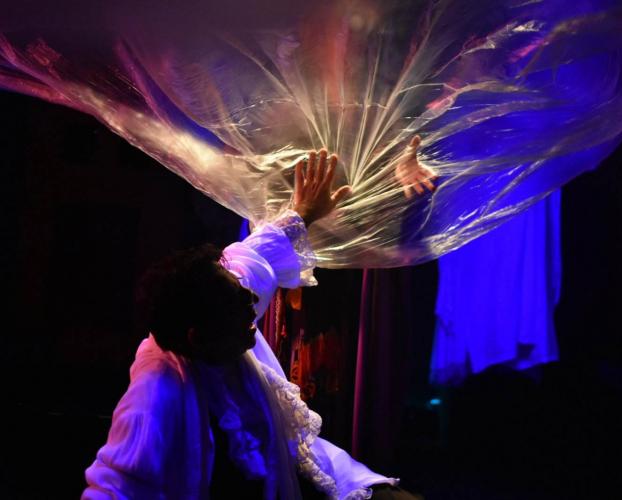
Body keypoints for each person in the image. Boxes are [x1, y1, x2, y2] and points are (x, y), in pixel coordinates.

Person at [82, 150, 419, 499]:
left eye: (244, 294)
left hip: (302, 469)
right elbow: (112, 487)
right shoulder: (157, 390)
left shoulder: (220, 307)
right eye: (239, 304)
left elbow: (256, 254)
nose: (252, 305)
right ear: (199, 337)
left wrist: (305, 211)